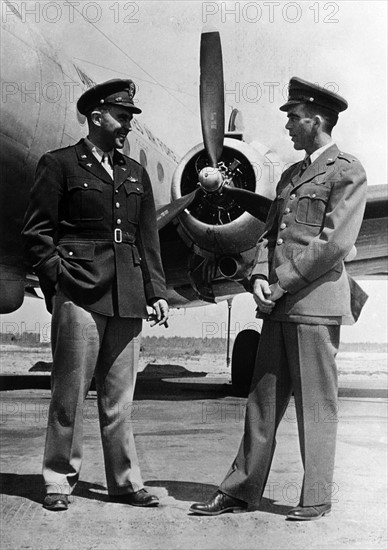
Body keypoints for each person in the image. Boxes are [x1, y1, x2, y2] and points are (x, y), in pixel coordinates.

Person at [190, 77, 368, 521]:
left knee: (317, 407)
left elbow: (333, 244)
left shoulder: (347, 170)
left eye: (293, 116)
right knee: (261, 402)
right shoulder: (292, 175)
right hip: (279, 305)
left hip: (314, 305)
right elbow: (269, 235)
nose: (287, 124)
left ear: (317, 119)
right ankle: (239, 490)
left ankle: (316, 497)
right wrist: (255, 277)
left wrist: (281, 282)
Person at [22, 79, 169, 511]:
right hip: (81, 292)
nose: (128, 127)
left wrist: (155, 291)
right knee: (69, 394)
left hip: (127, 296)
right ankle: (57, 481)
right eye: (122, 117)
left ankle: (124, 482)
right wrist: (59, 282)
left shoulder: (134, 174)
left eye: (129, 119)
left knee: (120, 399)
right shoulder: (60, 164)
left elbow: (148, 240)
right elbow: (37, 232)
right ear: (96, 116)